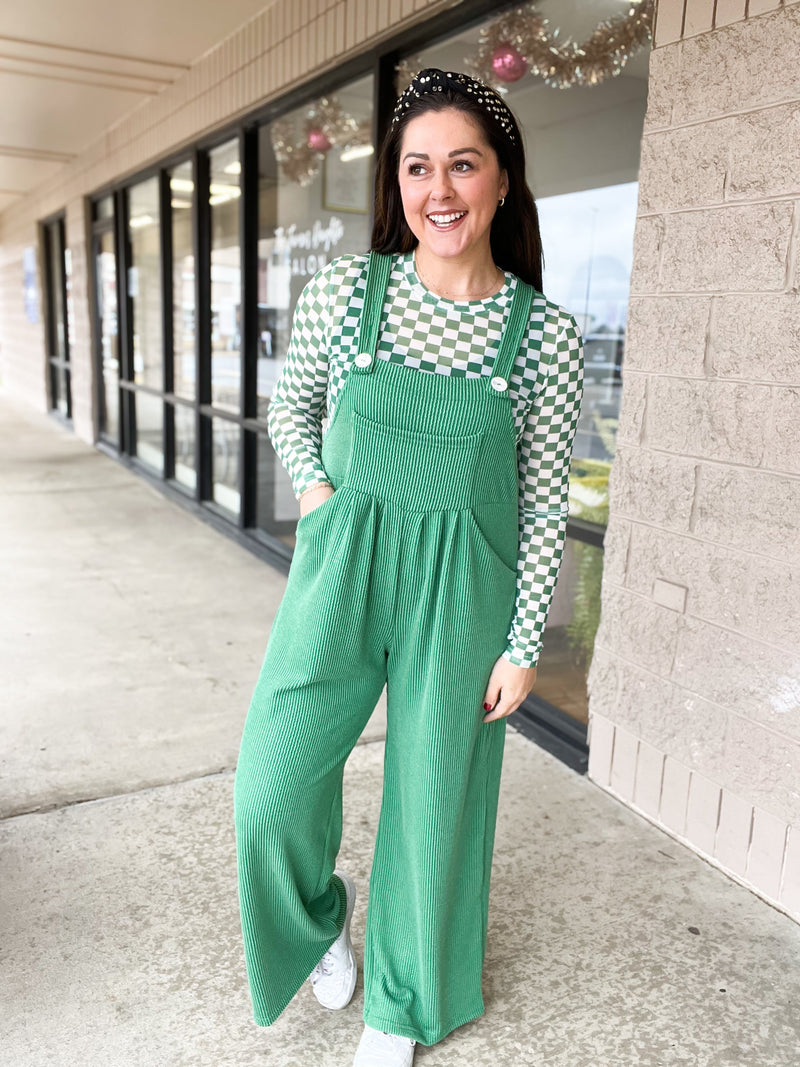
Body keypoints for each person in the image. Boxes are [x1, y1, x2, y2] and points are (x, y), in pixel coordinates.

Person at [233, 68, 584, 1066]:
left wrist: (522, 643)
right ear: (395, 184)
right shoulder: (346, 293)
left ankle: (399, 997)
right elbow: (290, 410)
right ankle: (315, 923)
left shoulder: (544, 336)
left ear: (500, 183)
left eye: (461, 165)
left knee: (433, 802)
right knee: (268, 786)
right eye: (417, 167)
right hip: (340, 568)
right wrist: (315, 494)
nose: (439, 190)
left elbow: (541, 494)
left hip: (461, 592)